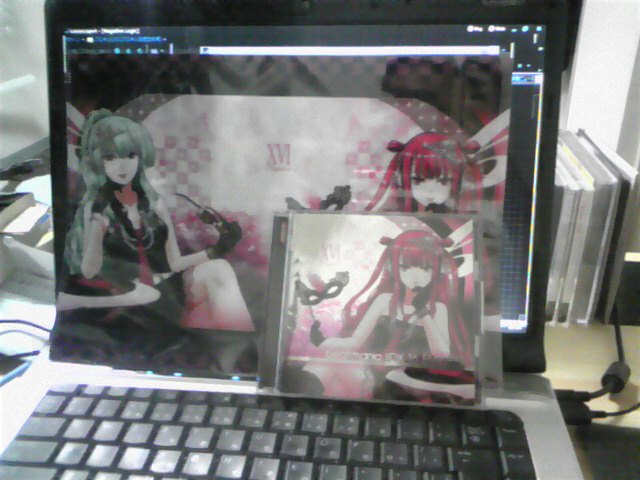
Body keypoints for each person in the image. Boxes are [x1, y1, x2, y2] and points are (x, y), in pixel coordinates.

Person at [60, 109, 254, 357]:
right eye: (110, 157)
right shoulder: (95, 207)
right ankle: (230, 357)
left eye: (130, 155)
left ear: (140, 156)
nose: (122, 165)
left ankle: (245, 359)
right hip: (131, 305)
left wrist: (217, 249)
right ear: (98, 161)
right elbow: (88, 271)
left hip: (168, 290)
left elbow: (174, 262)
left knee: (218, 267)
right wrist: (97, 229)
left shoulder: (154, 203)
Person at [301, 228, 473, 399]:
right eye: (405, 268)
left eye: (425, 268)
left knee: (335, 384)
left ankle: (304, 398)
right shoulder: (384, 300)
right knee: (333, 363)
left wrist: (423, 313)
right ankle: (302, 396)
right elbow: (355, 341)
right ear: (394, 268)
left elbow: (442, 354)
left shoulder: (438, 309)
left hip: (405, 385)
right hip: (372, 377)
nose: (415, 276)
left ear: (436, 270)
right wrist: (325, 345)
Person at [364, 132, 482, 214]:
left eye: (444, 181)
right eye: (417, 180)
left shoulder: (464, 215)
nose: (430, 191)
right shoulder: (392, 210)